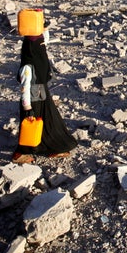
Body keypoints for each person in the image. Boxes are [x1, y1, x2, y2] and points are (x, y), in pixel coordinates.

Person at [12, 28, 77, 164]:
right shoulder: (27, 68)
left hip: (41, 92)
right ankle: (20, 153)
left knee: (49, 121)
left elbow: (44, 41)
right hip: (32, 98)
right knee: (32, 125)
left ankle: (52, 147)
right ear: (33, 50)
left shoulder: (36, 51)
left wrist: (44, 28)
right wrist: (28, 108)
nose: (43, 48)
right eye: (40, 46)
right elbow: (25, 89)